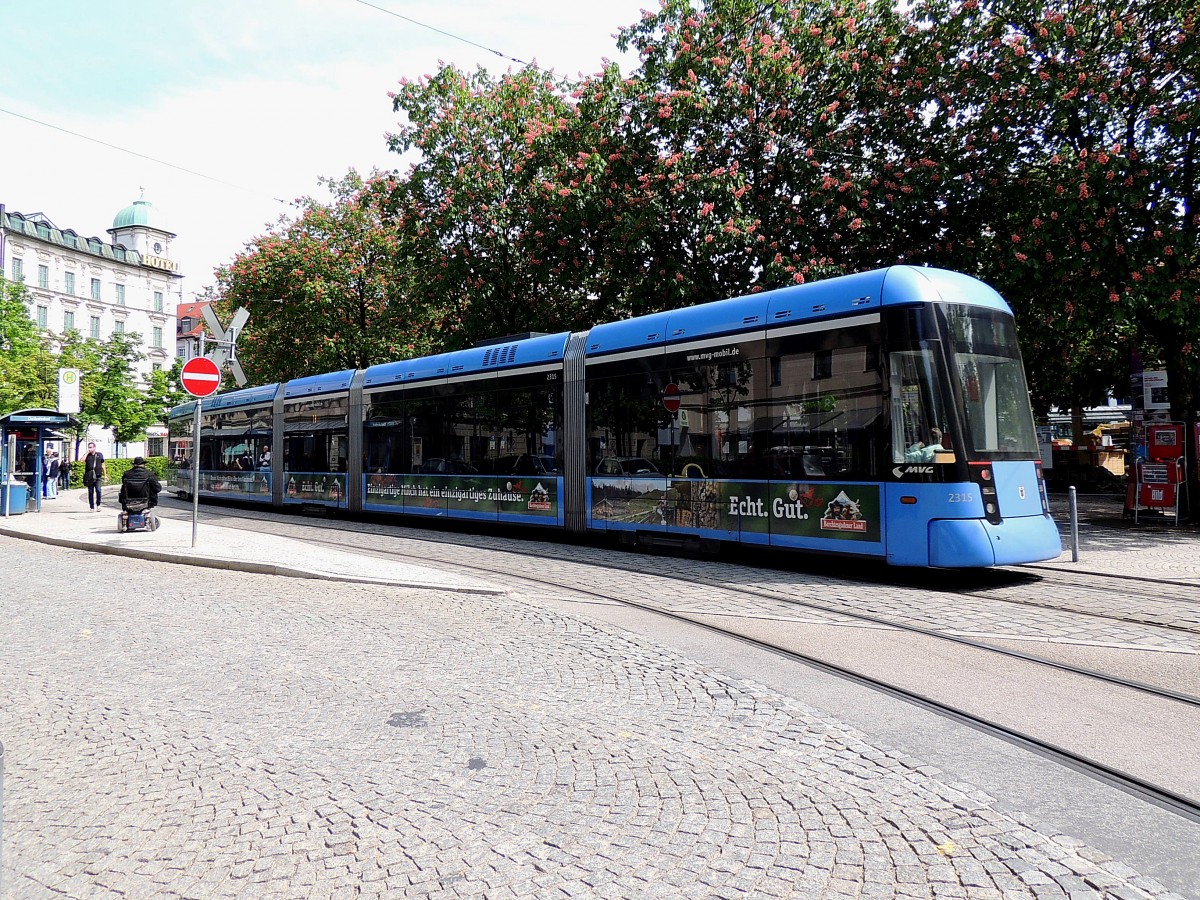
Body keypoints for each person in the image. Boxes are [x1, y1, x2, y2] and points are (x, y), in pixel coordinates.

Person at [82, 442, 107, 510]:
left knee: (98, 490)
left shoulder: (99, 454)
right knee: (90, 491)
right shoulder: (87, 455)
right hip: (89, 476)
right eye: (89, 447)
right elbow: (81, 461)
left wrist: (105, 475)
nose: (89, 449)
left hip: (98, 475)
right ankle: (91, 506)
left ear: (94, 447)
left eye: (91, 447)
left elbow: (103, 465)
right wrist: (86, 453)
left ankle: (98, 505)